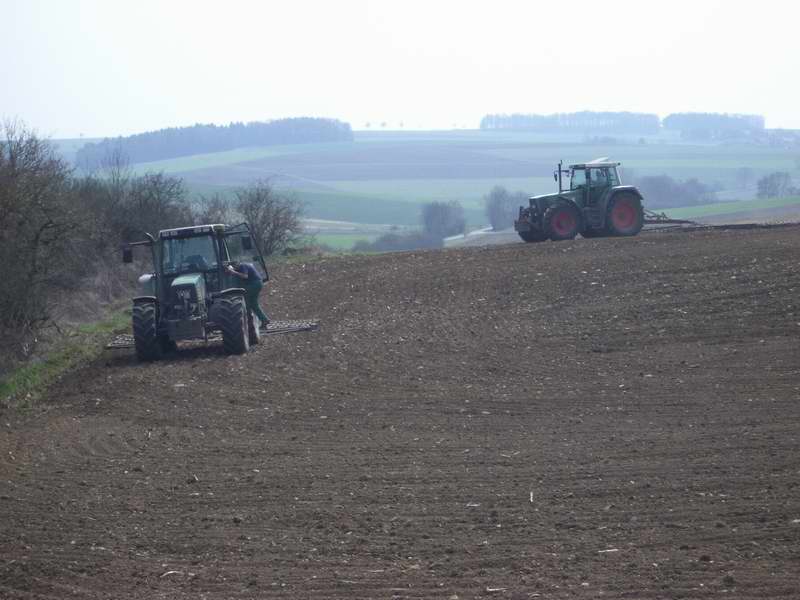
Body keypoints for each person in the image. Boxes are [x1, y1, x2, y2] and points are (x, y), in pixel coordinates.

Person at [226, 261, 270, 327]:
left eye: (234, 267)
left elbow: (245, 276)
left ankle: (249, 321)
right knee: (254, 304)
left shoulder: (242, 266)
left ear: (236, 264)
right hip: (256, 284)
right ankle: (264, 320)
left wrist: (233, 272)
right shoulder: (241, 267)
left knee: (246, 301)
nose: (234, 268)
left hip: (255, 284)